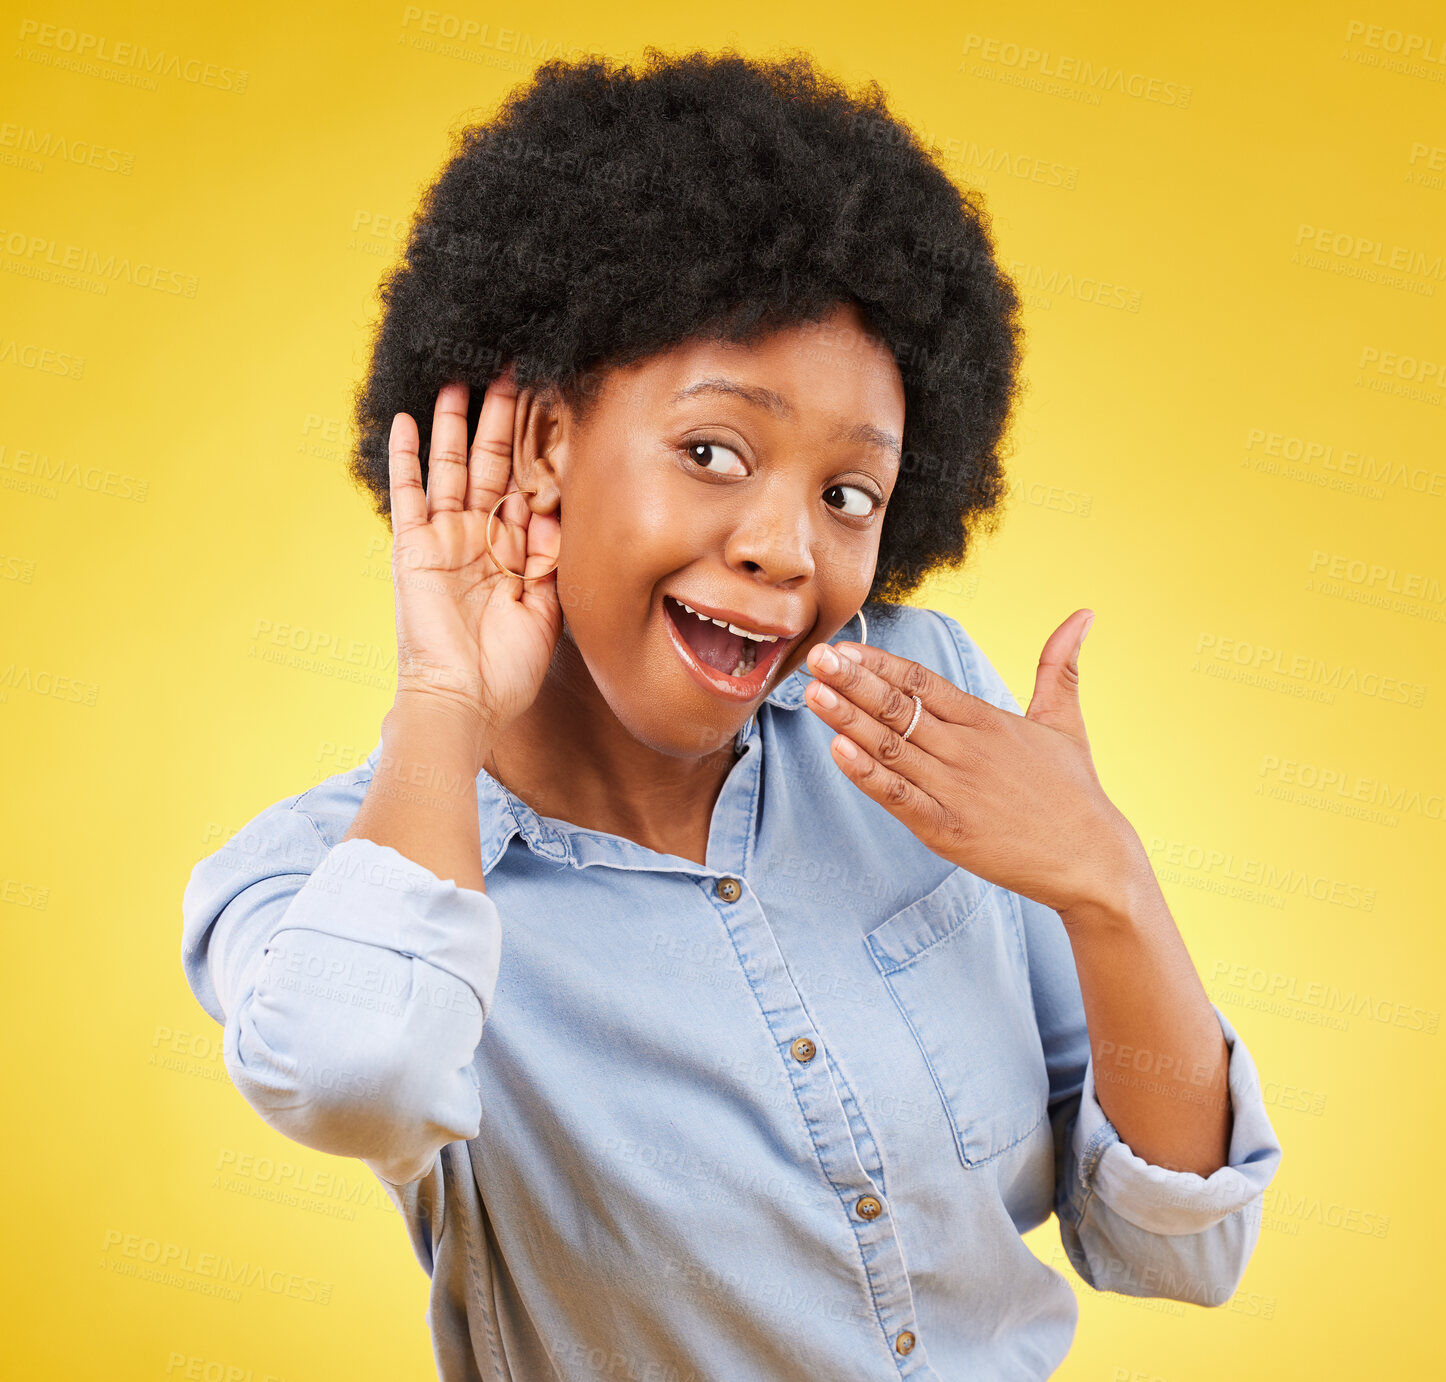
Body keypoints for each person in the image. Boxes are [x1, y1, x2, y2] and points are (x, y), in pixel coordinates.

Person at [181, 48, 1282, 1381]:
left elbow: (1174, 1245)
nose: (782, 546)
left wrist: (1106, 882)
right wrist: (445, 696)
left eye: (848, 496)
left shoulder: (917, 716)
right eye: (713, 451)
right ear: (541, 445)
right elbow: (357, 1071)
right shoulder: (321, 877)